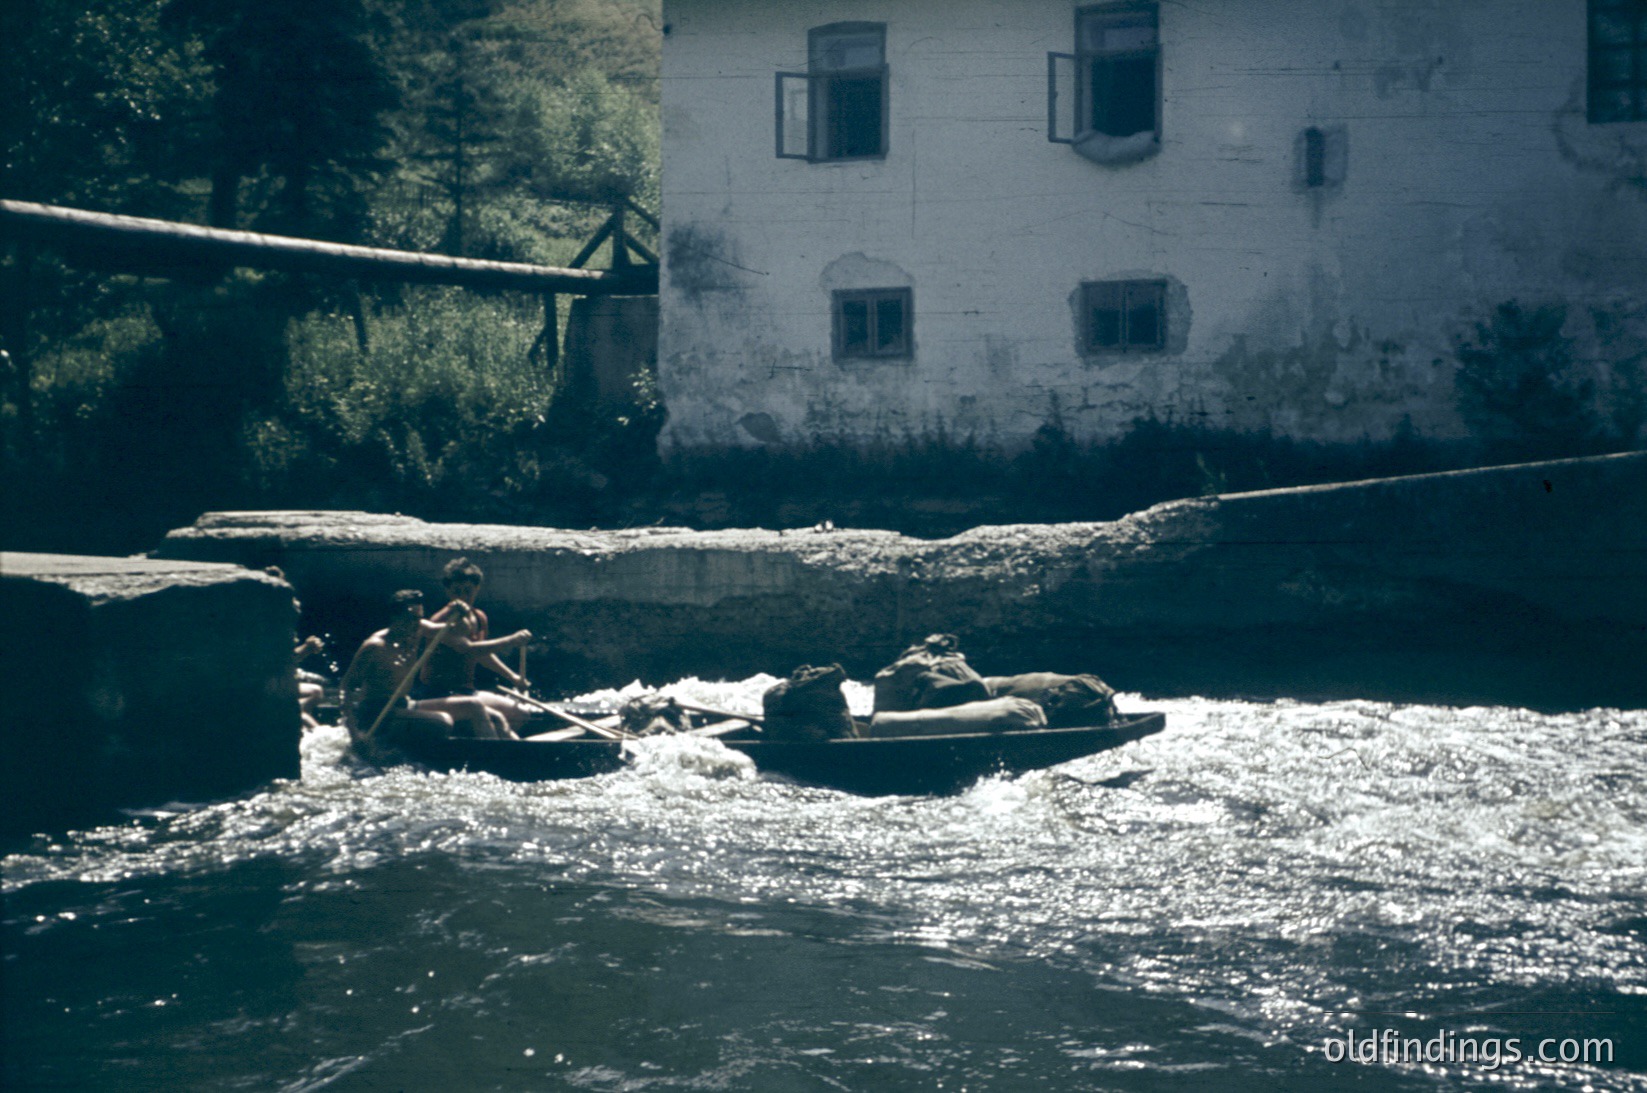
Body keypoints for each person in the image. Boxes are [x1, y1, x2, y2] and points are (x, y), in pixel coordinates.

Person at [418, 557, 535, 734]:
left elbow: (482, 653)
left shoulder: (479, 617)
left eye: (468, 591)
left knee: (521, 714)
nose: (463, 597)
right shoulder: (443, 621)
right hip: (439, 693)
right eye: (457, 591)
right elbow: (467, 649)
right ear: (448, 590)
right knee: (497, 719)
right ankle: (493, 748)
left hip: (467, 692)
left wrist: (513, 677)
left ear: (477, 589)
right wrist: (511, 640)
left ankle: (485, 739)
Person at [340, 590, 454, 751]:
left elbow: (455, 628)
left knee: (470, 705)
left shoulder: (418, 628)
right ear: (395, 618)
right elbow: (345, 688)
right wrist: (354, 735)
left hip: (403, 704)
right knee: (443, 722)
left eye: (420, 618)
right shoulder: (375, 646)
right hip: (376, 711)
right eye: (411, 619)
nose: (417, 624)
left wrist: (459, 610)